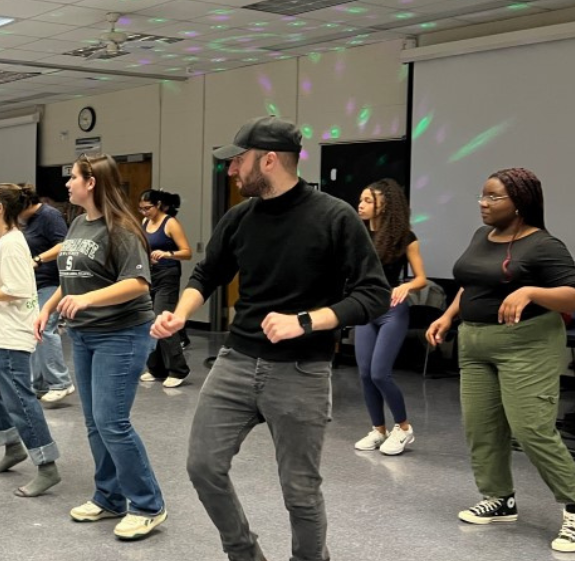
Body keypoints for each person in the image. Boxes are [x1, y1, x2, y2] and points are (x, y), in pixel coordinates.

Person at [150, 116, 390, 560]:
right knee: (203, 466)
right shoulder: (240, 217)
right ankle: (244, 553)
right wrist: (180, 314)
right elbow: (208, 272)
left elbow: (374, 294)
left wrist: (306, 321)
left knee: (299, 490)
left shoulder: (334, 217)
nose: (232, 170)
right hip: (237, 360)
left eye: (239, 160)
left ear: (271, 160)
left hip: (302, 370)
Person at [426, 168, 575, 553]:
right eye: (482, 195)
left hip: (526, 344)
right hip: (475, 342)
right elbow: (472, 283)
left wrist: (531, 290)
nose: (483, 203)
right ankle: (499, 499)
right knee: (481, 426)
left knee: (530, 429)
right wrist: (448, 315)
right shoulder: (482, 236)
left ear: (520, 204)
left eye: (494, 197)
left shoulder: (544, 245)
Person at [38, 153, 166, 541]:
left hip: (121, 334)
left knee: (112, 421)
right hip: (84, 333)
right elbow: (73, 277)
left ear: (91, 182)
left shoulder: (122, 228)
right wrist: (47, 307)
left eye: (72, 178)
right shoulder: (78, 223)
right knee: (95, 422)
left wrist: (89, 301)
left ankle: (147, 504)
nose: (67, 184)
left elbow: (138, 284)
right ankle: (108, 496)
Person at [0, 183, 61, 497]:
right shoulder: (5, 241)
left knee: (20, 400)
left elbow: (18, 289)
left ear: (1, 208)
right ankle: (13, 447)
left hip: (10, 337)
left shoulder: (13, 243)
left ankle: (47, 467)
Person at [353, 179, 427, 455]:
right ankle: (378, 430)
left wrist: (406, 285)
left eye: (368, 200)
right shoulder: (358, 234)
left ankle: (404, 428)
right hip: (366, 311)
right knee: (364, 374)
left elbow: (421, 278)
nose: (361, 205)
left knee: (379, 373)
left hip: (392, 311)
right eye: (360, 199)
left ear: (384, 204)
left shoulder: (404, 237)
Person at [17, 183, 73, 402]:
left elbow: (64, 245)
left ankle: (61, 382)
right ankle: (39, 384)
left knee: (46, 329)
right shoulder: (28, 221)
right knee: (36, 331)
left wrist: (38, 260)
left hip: (51, 282)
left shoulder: (50, 215)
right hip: (35, 285)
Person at [137, 189, 193, 388]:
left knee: (163, 319)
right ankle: (155, 368)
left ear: (159, 205)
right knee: (149, 322)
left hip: (168, 276)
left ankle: (178, 369)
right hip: (150, 276)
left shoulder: (170, 223)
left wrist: (167, 253)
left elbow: (187, 252)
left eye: (147, 208)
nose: (144, 212)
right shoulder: (145, 222)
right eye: (141, 209)